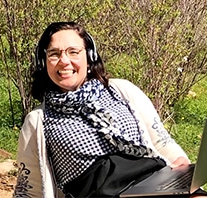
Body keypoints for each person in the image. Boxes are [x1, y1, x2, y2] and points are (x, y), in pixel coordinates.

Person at [13, 22, 190, 198]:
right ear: (43, 63)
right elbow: (29, 189)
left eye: (73, 52)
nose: (64, 61)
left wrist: (179, 162)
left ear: (89, 56)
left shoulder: (122, 90)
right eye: (54, 54)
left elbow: (160, 140)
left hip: (152, 181)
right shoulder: (38, 120)